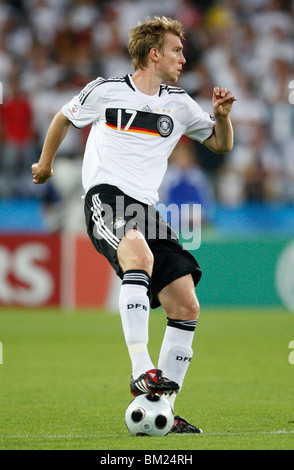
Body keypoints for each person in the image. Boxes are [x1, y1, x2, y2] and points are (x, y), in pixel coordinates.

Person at [32, 16, 236, 433]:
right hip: (105, 197)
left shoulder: (179, 103)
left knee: (186, 303)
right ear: (154, 53)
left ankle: (162, 408)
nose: (184, 57)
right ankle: (141, 366)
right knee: (138, 255)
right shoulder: (105, 91)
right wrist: (45, 164)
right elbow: (63, 119)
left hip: (147, 210)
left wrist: (222, 116)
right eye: (176, 50)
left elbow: (219, 143)